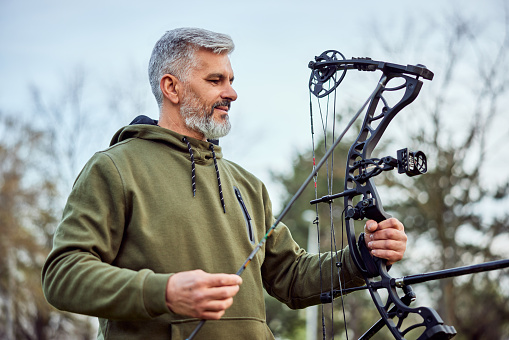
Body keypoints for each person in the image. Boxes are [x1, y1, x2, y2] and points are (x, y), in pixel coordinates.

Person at [42, 28, 407, 340]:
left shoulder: (247, 185)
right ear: (171, 87)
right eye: (215, 80)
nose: (231, 93)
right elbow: (63, 274)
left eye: (231, 81)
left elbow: (292, 277)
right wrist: (163, 292)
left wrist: (362, 256)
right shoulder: (115, 168)